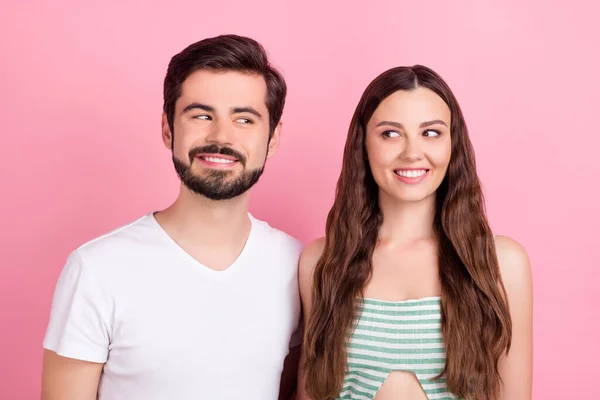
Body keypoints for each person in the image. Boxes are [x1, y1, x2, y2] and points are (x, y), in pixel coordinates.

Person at [41, 34, 302, 400]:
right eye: (201, 115)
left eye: (244, 119)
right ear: (168, 129)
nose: (221, 136)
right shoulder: (97, 268)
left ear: (272, 139)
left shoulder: (296, 265)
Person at [297, 65, 533, 400]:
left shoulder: (501, 264)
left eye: (431, 133)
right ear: (363, 144)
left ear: (454, 145)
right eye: (390, 134)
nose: (411, 152)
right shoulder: (322, 261)